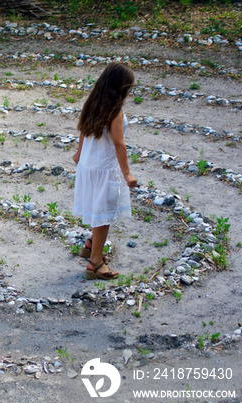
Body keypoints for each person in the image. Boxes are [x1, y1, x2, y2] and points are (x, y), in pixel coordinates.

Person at [72, 63, 138, 280]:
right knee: (103, 217)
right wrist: (127, 174)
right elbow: (120, 144)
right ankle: (95, 263)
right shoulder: (115, 113)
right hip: (104, 171)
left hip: (87, 168)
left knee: (97, 209)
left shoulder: (92, 103)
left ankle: (91, 245)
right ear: (122, 88)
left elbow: (83, 130)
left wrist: (79, 154)